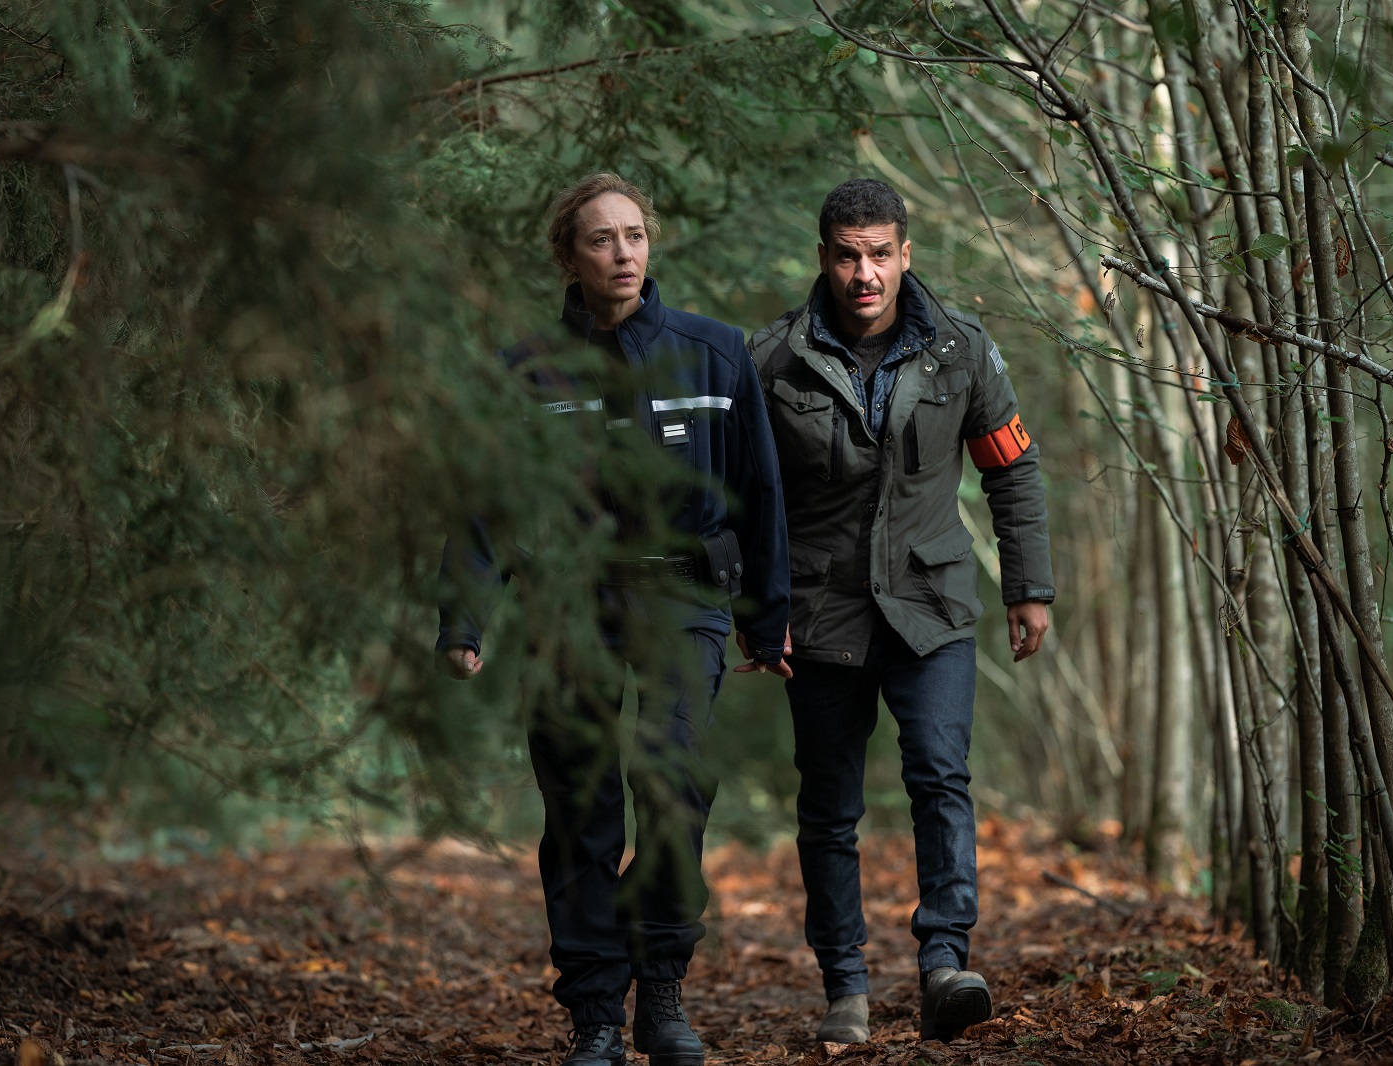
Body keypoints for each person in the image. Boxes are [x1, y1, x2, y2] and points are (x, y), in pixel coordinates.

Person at [437, 173, 791, 1066]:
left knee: (673, 784)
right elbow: (487, 506)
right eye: (601, 239)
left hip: (684, 597)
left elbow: (760, 494)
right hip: (569, 601)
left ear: (651, 244)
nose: (622, 253)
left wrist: (769, 617)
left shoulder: (714, 355)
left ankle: (661, 988)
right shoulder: (525, 372)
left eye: (634, 235)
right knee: (580, 805)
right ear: (569, 255)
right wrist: (465, 618)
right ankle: (595, 1012)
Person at [749, 178, 1054, 1044]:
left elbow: (1012, 468)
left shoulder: (960, 350)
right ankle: (844, 983)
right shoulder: (772, 360)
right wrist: (757, 608)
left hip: (933, 606)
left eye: (879, 253)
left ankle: (945, 964)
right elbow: (745, 497)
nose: (864, 273)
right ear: (824, 258)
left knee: (940, 777)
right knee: (829, 806)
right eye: (847, 255)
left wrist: (1027, 586)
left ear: (905, 252)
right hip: (821, 614)